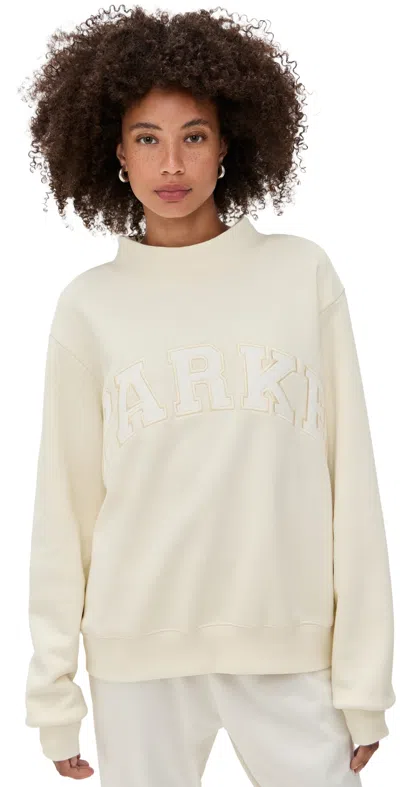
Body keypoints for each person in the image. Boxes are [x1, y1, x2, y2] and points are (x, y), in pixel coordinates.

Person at [21, 5, 395, 785]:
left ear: (227, 145)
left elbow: (351, 484)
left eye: (194, 136)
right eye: (146, 138)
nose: (171, 163)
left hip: (289, 650)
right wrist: (53, 693)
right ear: (115, 151)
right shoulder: (89, 308)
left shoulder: (302, 275)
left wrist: (365, 684)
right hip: (136, 658)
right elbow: (64, 511)